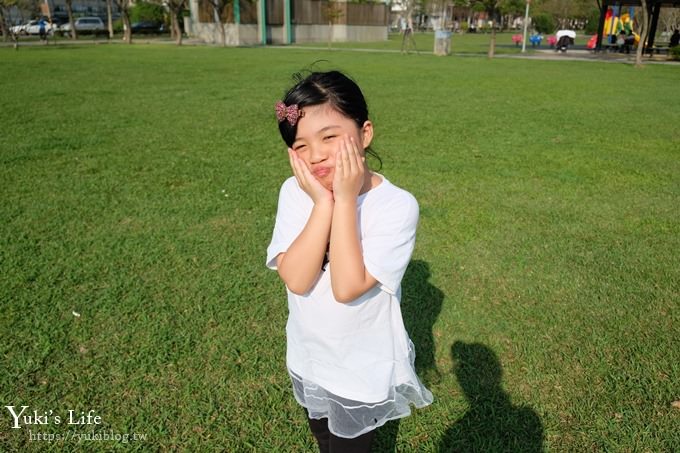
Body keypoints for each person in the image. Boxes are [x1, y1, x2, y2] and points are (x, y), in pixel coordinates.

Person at [267, 70, 433, 452]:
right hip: (308, 356)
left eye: (329, 137)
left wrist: (342, 200)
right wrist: (323, 202)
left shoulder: (395, 206)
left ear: (365, 134)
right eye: (301, 145)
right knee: (323, 438)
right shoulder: (296, 191)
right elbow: (296, 277)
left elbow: (346, 286)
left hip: (360, 368)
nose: (316, 155)